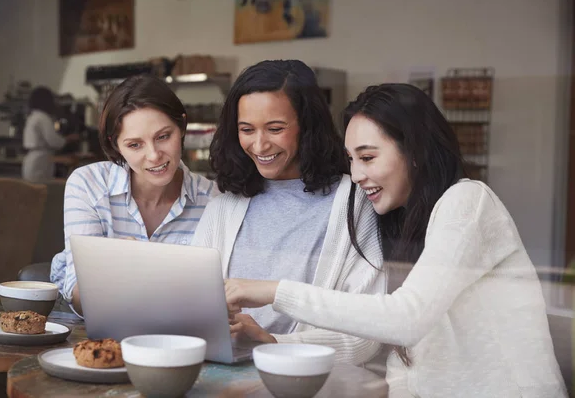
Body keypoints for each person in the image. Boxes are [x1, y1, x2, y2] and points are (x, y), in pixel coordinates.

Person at [224, 84, 567, 397]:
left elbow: (405, 319)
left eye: (368, 157)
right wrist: (276, 342)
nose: (356, 175)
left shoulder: (468, 202)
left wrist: (273, 291)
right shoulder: (400, 219)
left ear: (414, 151)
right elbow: (394, 351)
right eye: (351, 160)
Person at [192, 59, 385, 365]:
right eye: (246, 129)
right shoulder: (224, 206)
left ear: (306, 126)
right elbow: (191, 305)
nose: (259, 144)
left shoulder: (353, 200)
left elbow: (368, 333)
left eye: (275, 128)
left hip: (306, 380)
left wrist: (274, 344)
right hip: (221, 375)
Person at [50, 75, 219, 316]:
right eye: (134, 145)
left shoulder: (213, 200)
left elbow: (211, 299)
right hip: (96, 334)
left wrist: (115, 271)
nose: (153, 155)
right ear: (116, 144)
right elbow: (78, 293)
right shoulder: (88, 185)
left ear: (182, 126)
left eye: (163, 137)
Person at [22, 86, 79, 182]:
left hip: (31, 160)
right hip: (39, 162)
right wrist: (69, 138)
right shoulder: (43, 117)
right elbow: (54, 141)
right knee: (41, 192)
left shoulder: (33, 116)